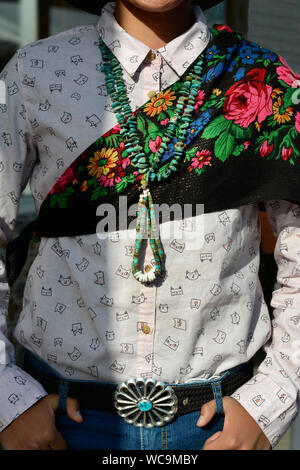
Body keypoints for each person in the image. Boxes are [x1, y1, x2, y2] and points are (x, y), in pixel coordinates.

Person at [0, 0, 299, 451]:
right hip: (58, 423)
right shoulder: (35, 72)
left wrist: (270, 402)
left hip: (219, 426)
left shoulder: (262, 81)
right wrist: (8, 400)